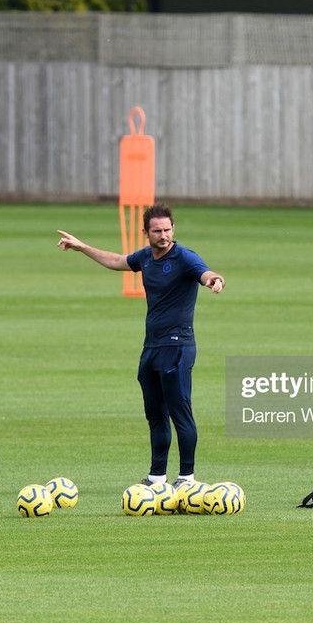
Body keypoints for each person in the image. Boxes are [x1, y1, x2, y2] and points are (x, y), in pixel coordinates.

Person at [57, 204, 225, 490]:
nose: (164, 236)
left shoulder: (184, 257)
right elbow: (116, 261)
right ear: (145, 232)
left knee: (180, 411)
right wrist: (81, 246)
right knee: (155, 414)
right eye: (157, 231)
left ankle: (187, 478)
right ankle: (157, 477)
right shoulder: (146, 257)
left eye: (168, 229)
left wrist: (214, 281)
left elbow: (205, 273)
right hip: (152, 348)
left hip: (178, 347)